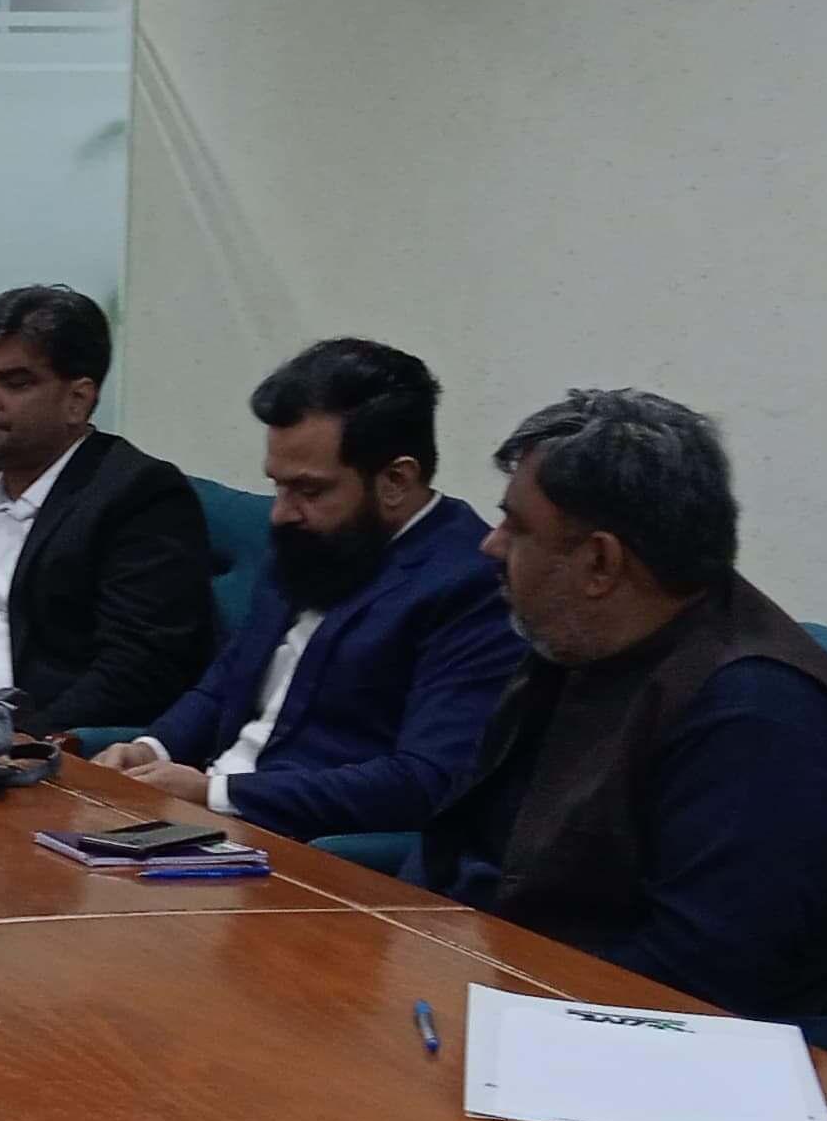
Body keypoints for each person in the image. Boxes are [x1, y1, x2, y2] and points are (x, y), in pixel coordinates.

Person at [414, 390, 827, 1019]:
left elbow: (694, 981)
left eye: (518, 527)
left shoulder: (759, 718)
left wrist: (484, 1001)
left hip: (632, 1040)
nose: (491, 546)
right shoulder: (574, 638)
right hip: (501, 982)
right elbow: (459, 842)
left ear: (600, 563)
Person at [95, 341, 517, 842]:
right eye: (279, 485)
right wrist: (152, 749)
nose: (281, 513)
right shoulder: (308, 540)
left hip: (299, 844)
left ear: (396, 480)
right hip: (202, 817)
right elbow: (227, 681)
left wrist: (217, 793)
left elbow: (424, 781)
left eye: (309, 490)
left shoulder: (470, 585)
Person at [0, 285, 219, 734]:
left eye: (15, 382)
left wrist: (23, 743)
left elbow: (137, 670)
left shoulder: (139, 493)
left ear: (77, 399)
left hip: (18, 737)